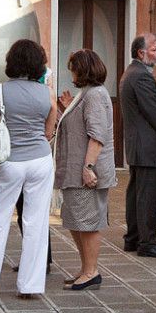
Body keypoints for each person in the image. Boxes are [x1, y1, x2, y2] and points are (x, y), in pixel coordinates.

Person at [0, 39, 57, 299]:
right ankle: (30, 287)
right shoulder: (48, 93)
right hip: (40, 161)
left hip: (9, 162)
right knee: (36, 223)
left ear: (11, 62)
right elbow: (48, 132)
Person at [54, 50, 115, 290]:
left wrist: (88, 167)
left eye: (73, 68)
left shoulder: (94, 95)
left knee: (88, 222)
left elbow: (97, 135)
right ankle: (85, 269)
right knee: (76, 221)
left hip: (85, 173)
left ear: (83, 69)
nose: (71, 73)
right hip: (74, 171)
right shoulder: (86, 95)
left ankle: (91, 272)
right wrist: (68, 108)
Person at [119, 33, 156, 258]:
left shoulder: (132, 73)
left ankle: (133, 238)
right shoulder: (141, 76)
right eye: (154, 49)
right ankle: (147, 242)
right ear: (141, 53)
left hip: (139, 145)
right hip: (147, 146)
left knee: (137, 194)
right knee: (147, 196)